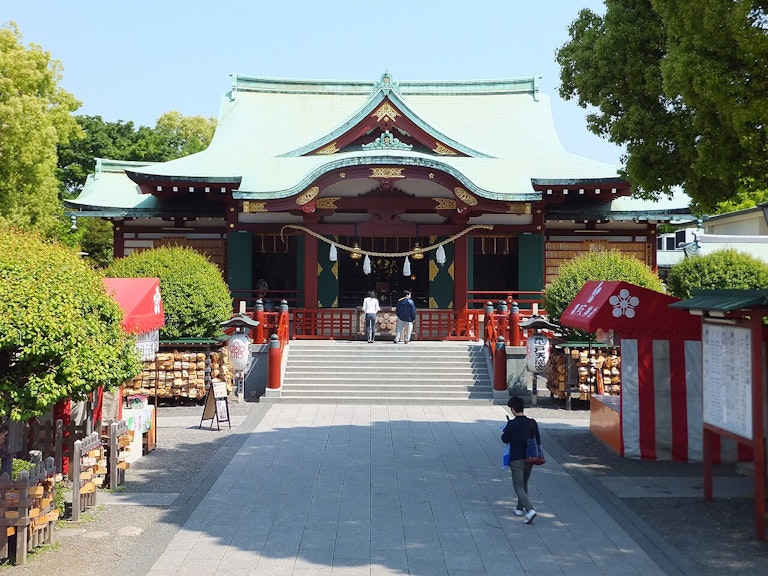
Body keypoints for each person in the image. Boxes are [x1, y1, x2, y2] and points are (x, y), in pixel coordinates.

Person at [501, 396, 540, 524]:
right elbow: (538, 440)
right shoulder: (532, 422)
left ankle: (530, 510)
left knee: (518, 486)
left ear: (513, 409)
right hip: (530, 458)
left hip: (516, 458)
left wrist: (506, 428)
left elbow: (504, 439)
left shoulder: (512, 424)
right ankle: (519, 508)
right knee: (524, 484)